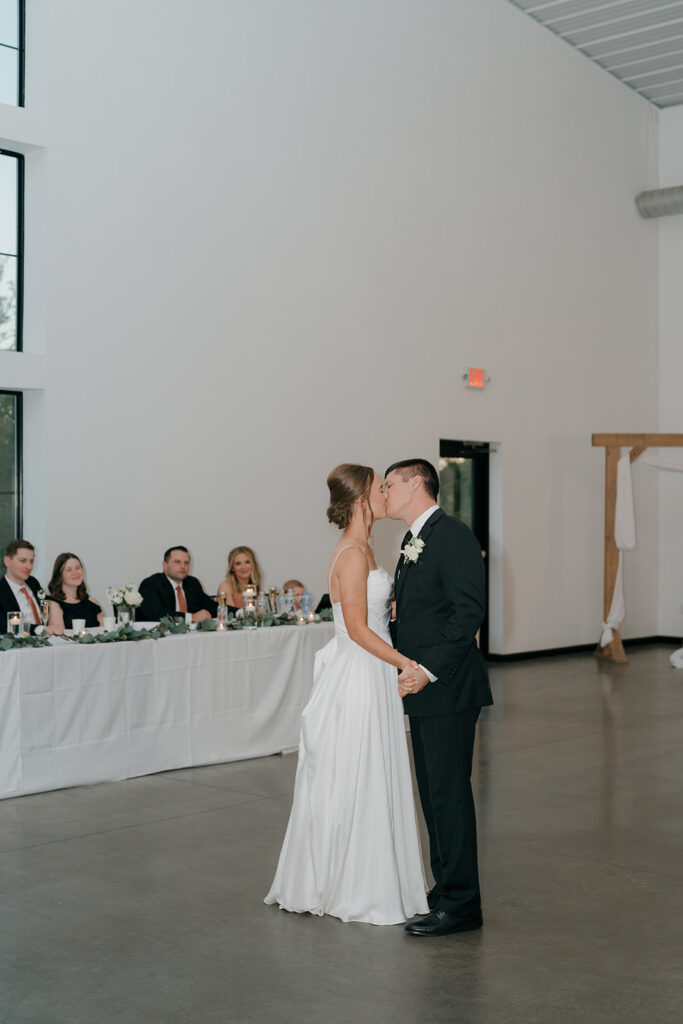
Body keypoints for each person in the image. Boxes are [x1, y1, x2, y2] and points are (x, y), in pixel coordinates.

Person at [265, 464, 428, 925]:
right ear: (361, 500)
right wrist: (405, 663)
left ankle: (373, 876)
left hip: (369, 669)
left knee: (369, 771)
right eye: (379, 487)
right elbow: (356, 629)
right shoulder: (354, 553)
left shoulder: (364, 549)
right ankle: (357, 886)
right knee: (360, 771)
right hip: (361, 673)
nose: (384, 494)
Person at [384, 458, 493, 937]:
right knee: (433, 795)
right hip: (423, 687)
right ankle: (445, 888)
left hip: (447, 685)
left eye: (389, 485)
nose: (383, 494)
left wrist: (426, 670)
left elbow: (469, 611)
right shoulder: (411, 540)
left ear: (415, 484)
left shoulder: (452, 534)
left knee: (449, 795)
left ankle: (463, 905)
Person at [138, 546, 218, 622]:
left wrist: (227, 613)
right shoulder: (151, 584)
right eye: (177, 562)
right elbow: (156, 614)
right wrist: (192, 617)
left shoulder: (192, 583)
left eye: (186, 563)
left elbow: (213, 607)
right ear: (165, 565)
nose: (183, 566)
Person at [46, 552, 103, 633]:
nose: (75, 573)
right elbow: (60, 637)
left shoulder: (92, 602)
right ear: (59, 575)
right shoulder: (54, 604)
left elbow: (104, 634)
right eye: (69, 570)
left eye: (78, 568)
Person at [0, 539, 44, 634]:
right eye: (23, 561)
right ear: (7, 561)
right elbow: (2, 625)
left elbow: (46, 603)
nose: (29, 566)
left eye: (31, 561)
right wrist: (37, 629)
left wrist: (55, 606)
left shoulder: (33, 582)